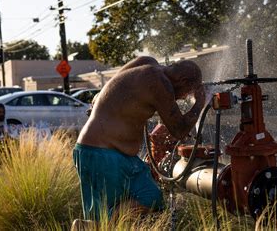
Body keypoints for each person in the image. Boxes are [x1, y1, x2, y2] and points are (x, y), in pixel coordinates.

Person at [73, 56, 205, 222]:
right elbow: (179, 130)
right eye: (187, 93)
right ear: (183, 80)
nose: (181, 98)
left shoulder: (147, 62)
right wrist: (200, 103)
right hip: (101, 154)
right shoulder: (160, 83)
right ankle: (93, 226)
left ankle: (96, 224)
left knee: (151, 196)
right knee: (107, 211)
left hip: (117, 156)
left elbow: (105, 88)